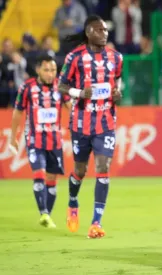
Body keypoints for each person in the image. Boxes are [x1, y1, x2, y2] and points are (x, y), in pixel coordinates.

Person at [58, 15, 123, 238]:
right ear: (88, 33)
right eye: (99, 30)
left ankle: (96, 222)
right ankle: (73, 203)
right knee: (80, 170)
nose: (104, 33)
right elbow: (61, 85)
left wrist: (117, 94)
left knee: (103, 167)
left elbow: (118, 80)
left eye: (105, 30)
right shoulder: (74, 57)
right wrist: (78, 93)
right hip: (80, 122)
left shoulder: (116, 57)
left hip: (106, 122)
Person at [9, 54, 72, 228]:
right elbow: (18, 112)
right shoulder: (27, 87)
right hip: (34, 139)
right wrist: (12, 136)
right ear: (38, 70)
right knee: (38, 174)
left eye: (53, 70)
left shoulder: (61, 86)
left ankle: (47, 216)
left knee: (52, 180)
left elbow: (70, 107)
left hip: (55, 141)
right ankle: (43, 212)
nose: (50, 73)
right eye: (46, 70)